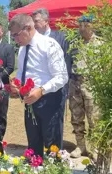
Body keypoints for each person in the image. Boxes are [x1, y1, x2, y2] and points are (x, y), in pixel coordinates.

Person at [9, 14, 68, 157]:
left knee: (52, 145)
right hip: (30, 101)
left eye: (16, 35)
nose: (15, 40)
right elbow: (23, 72)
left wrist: (41, 91)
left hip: (50, 99)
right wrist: (16, 84)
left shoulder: (49, 45)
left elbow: (62, 76)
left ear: (28, 28)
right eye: (13, 37)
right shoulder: (23, 49)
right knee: (34, 142)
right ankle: (35, 171)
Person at [32, 8, 73, 149]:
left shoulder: (61, 38)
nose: (34, 25)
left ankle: (55, 156)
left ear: (46, 21)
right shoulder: (33, 41)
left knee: (55, 126)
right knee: (39, 127)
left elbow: (67, 64)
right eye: (33, 22)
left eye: (36, 21)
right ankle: (39, 155)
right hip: (39, 93)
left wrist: (65, 89)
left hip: (57, 91)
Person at [69, 16, 99, 158]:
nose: (82, 28)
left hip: (92, 85)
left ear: (92, 26)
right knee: (76, 118)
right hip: (75, 85)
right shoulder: (74, 44)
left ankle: (95, 148)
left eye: (85, 25)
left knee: (94, 118)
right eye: (80, 26)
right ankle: (80, 146)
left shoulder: (101, 44)